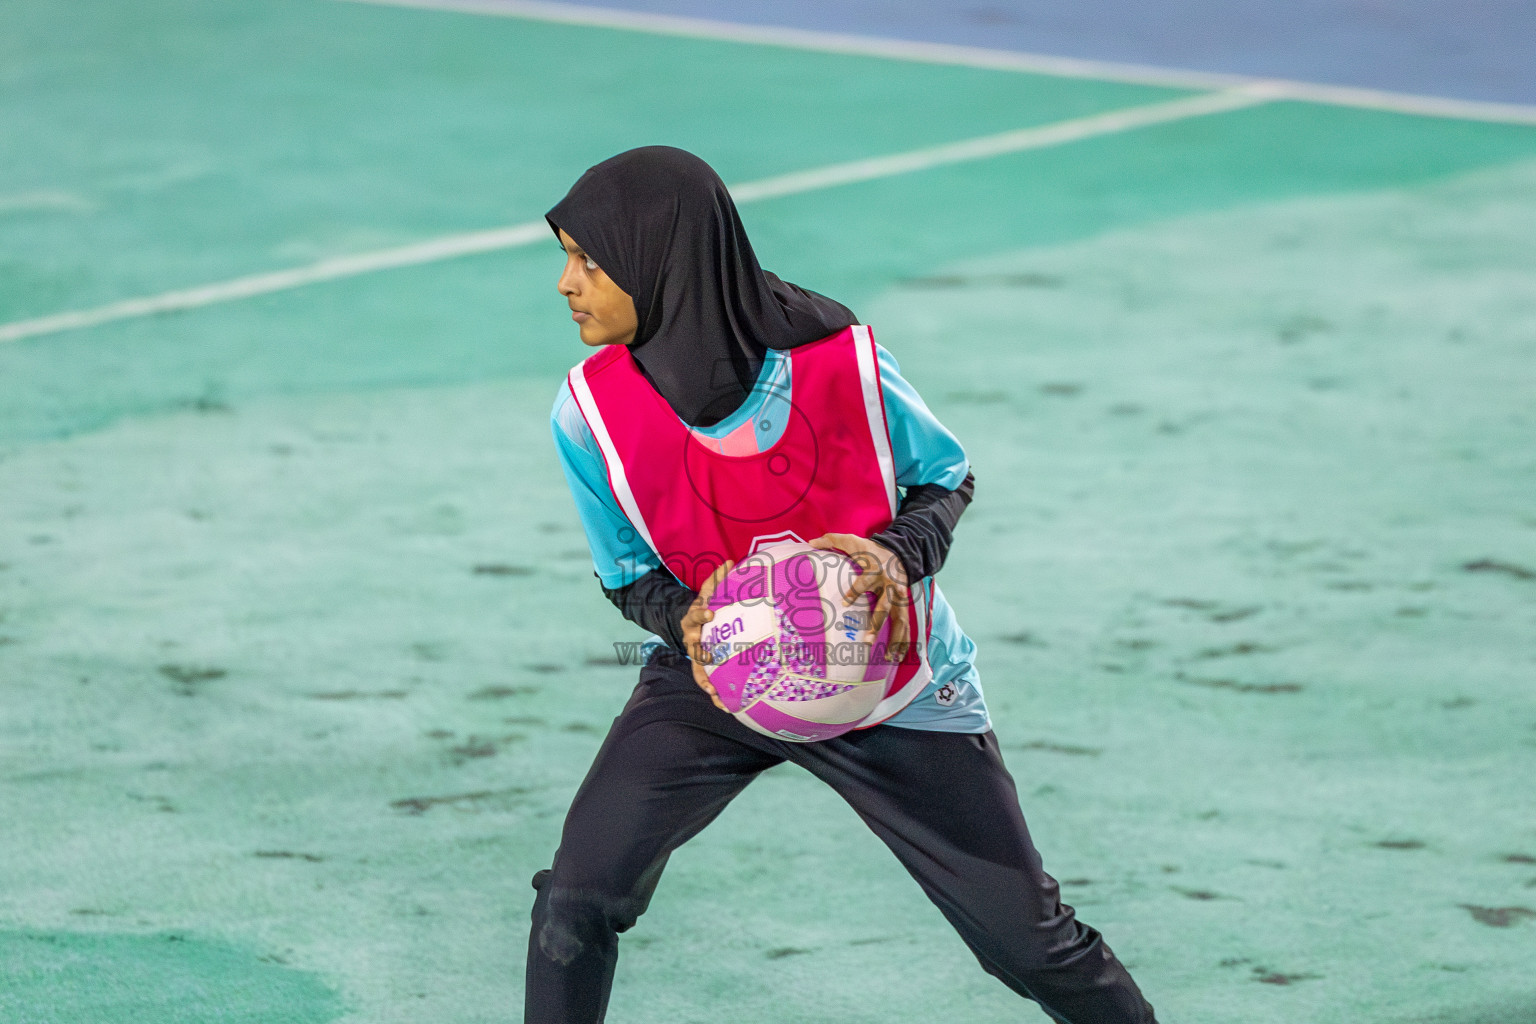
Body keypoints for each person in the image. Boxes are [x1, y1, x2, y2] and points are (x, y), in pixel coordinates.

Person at [527, 145, 1159, 1024]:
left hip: (889, 678)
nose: (566, 283)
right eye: (566, 258)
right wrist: (699, 623)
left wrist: (892, 558)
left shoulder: (838, 361)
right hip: (718, 674)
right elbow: (629, 577)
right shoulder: (586, 415)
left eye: (588, 260)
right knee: (576, 899)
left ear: (657, 258)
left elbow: (945, 478)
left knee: (1027, 942)